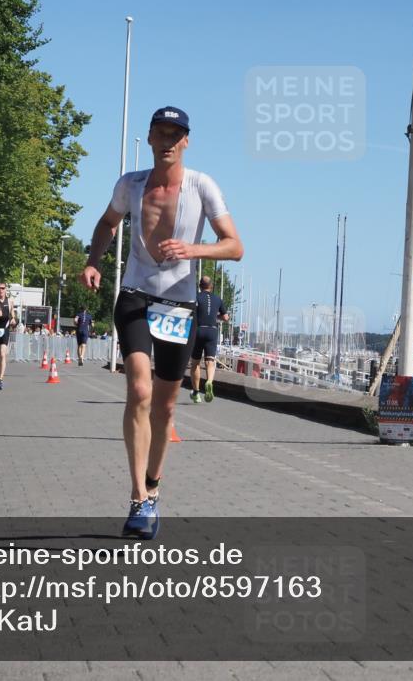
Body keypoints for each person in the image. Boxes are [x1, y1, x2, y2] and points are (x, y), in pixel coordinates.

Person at [81, 106, 243, 539]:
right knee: (138, 388)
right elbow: (107, 222)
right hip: (135, 294)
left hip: (179, 306)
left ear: (186, 141)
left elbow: (235, 246)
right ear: (150, 138)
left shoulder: (201, 185)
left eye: (176, 134)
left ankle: (153, 486)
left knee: (166, 407)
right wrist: (93, 261)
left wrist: (194, 251)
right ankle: (137, 499)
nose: (168, 140)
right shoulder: (130, 184)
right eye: (161, 132)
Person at [189, 275, 229, 403]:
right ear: (211, 286)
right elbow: (226, 317)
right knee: (210, 361)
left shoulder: (196, 297)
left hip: (198, 330)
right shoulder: (218, 299)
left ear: (200, 286)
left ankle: (196, 392)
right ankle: (209, 381)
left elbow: (189, 312)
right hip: (212, 331)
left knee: (195, 363)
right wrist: (215, 316)